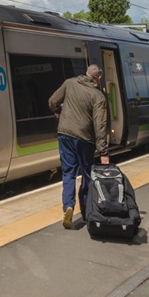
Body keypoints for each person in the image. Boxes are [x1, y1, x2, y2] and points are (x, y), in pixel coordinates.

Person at [48, 63, 110, 230]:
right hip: (84, 139)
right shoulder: (98, 96)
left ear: (85, 73)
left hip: (65, 134)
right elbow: (100, 124)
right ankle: (86, 212)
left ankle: (68, 206)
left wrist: (58, 113)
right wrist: (103, 151)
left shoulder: (69, 83)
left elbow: (53, 101)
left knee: (68, 173)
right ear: (99, 78)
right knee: (87, 175)